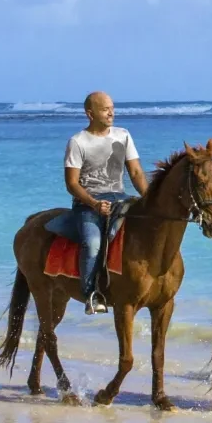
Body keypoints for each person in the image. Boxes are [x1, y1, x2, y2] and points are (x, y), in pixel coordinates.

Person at [64, 91, 147, 313]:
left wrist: (149, 199)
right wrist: (94, 204)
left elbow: (136, 173)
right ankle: (91, 294)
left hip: (120, 198)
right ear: (90, 114)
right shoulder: (78, 142)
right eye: (105, 109)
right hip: (88, 204)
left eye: (112, 108)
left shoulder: (123, 135)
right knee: (92, 243)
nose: (111, 113)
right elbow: (72, 183)